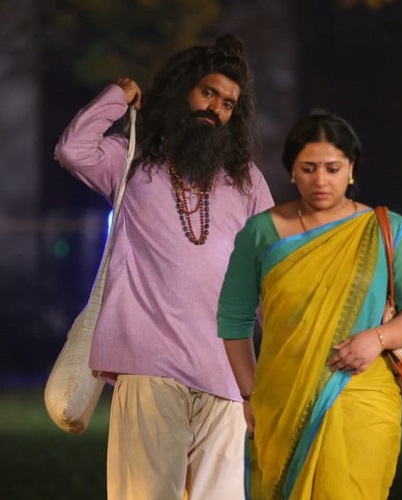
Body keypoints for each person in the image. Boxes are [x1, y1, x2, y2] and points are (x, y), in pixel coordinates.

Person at [54, 34, 274, 500]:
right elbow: (73, 151)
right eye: (208, 93)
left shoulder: (247, 180)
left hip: (226, 378)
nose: (215, 109)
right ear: (182, 91)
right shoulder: (132, 159)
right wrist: (116, 97)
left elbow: (270, 276)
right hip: (150, 368)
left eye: (228, 104)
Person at [217, 112, 402, 499]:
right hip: (282, 402)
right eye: (308, 168)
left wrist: (377, 338)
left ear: (351, 169)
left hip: (362, 402)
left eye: (332, 169)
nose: (320, 180)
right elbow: (233, 320)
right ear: (292, 170)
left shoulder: (383, 231)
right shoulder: (260, 232)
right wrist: (250, 395)